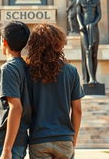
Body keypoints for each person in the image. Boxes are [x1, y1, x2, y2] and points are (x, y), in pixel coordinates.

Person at [27, 23, 84, 159]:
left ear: (34, 44)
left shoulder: (28, 71)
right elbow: (77, 110)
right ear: (59, 43)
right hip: (64, 139)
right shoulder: (71, 71)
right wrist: (73, 139)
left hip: (39, 139)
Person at [0, 21, 31, 159]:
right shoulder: (25, 67)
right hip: (18, 139)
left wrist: (7, 149)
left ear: (4, 42)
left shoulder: (8, 69)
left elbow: (16, 108)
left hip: (6, 141)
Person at [76, 0, 101, 84]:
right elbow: (78, 14)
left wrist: (94, 23)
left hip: (94, 28)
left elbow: (99, 15)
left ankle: (94, 77)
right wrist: (81, 25)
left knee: (94, 53)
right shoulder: (79, 1)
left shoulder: (97, 1)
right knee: (87, 51)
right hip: (84, 30)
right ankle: (91, 79)